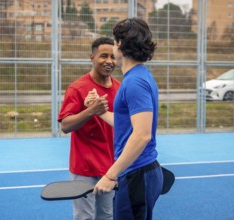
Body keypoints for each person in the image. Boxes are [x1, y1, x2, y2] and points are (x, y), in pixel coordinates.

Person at [90, 18, 163, 220]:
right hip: (139, 173)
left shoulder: (135, 82)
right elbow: (129, 125)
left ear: (120, 44)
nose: (114, 46)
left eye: (114, 42)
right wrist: (100, 111)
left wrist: (110, 175)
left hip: (137, 174)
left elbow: (142, 135)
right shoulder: (138, 77)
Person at [57, 37, 121, 220]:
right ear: (92, 57)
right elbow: (65, 125)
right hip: (84, 168)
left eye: (113, 56)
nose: (109, 61)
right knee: (84, 218)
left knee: (106, 216)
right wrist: (91, 111)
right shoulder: (77, 88)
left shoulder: (119, 88)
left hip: (110, 168)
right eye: (103, 56)